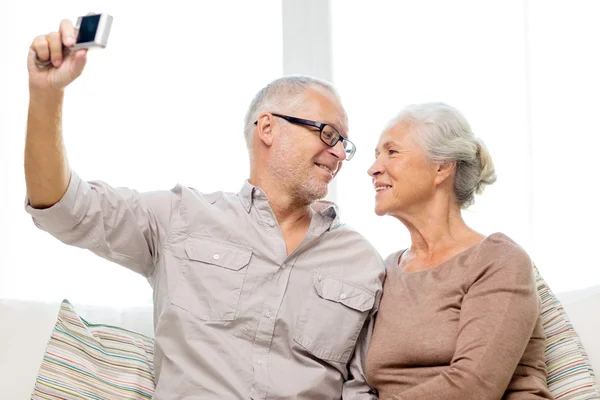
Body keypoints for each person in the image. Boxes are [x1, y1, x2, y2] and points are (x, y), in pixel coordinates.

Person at [24, 18, 384, 399]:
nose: (340, 153)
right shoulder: (180, 217)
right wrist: (46, 96)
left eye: (345, 143)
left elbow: (363, 389)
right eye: (328, 134)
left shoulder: (363, 263)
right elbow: (64, 208)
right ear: (268, 128)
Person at [364, 103, 553, 400]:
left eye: (392, 152)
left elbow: (473, 386)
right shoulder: (386, 271)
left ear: (441, 167)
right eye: (376, 155)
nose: (373, 168)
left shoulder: (497, 260)